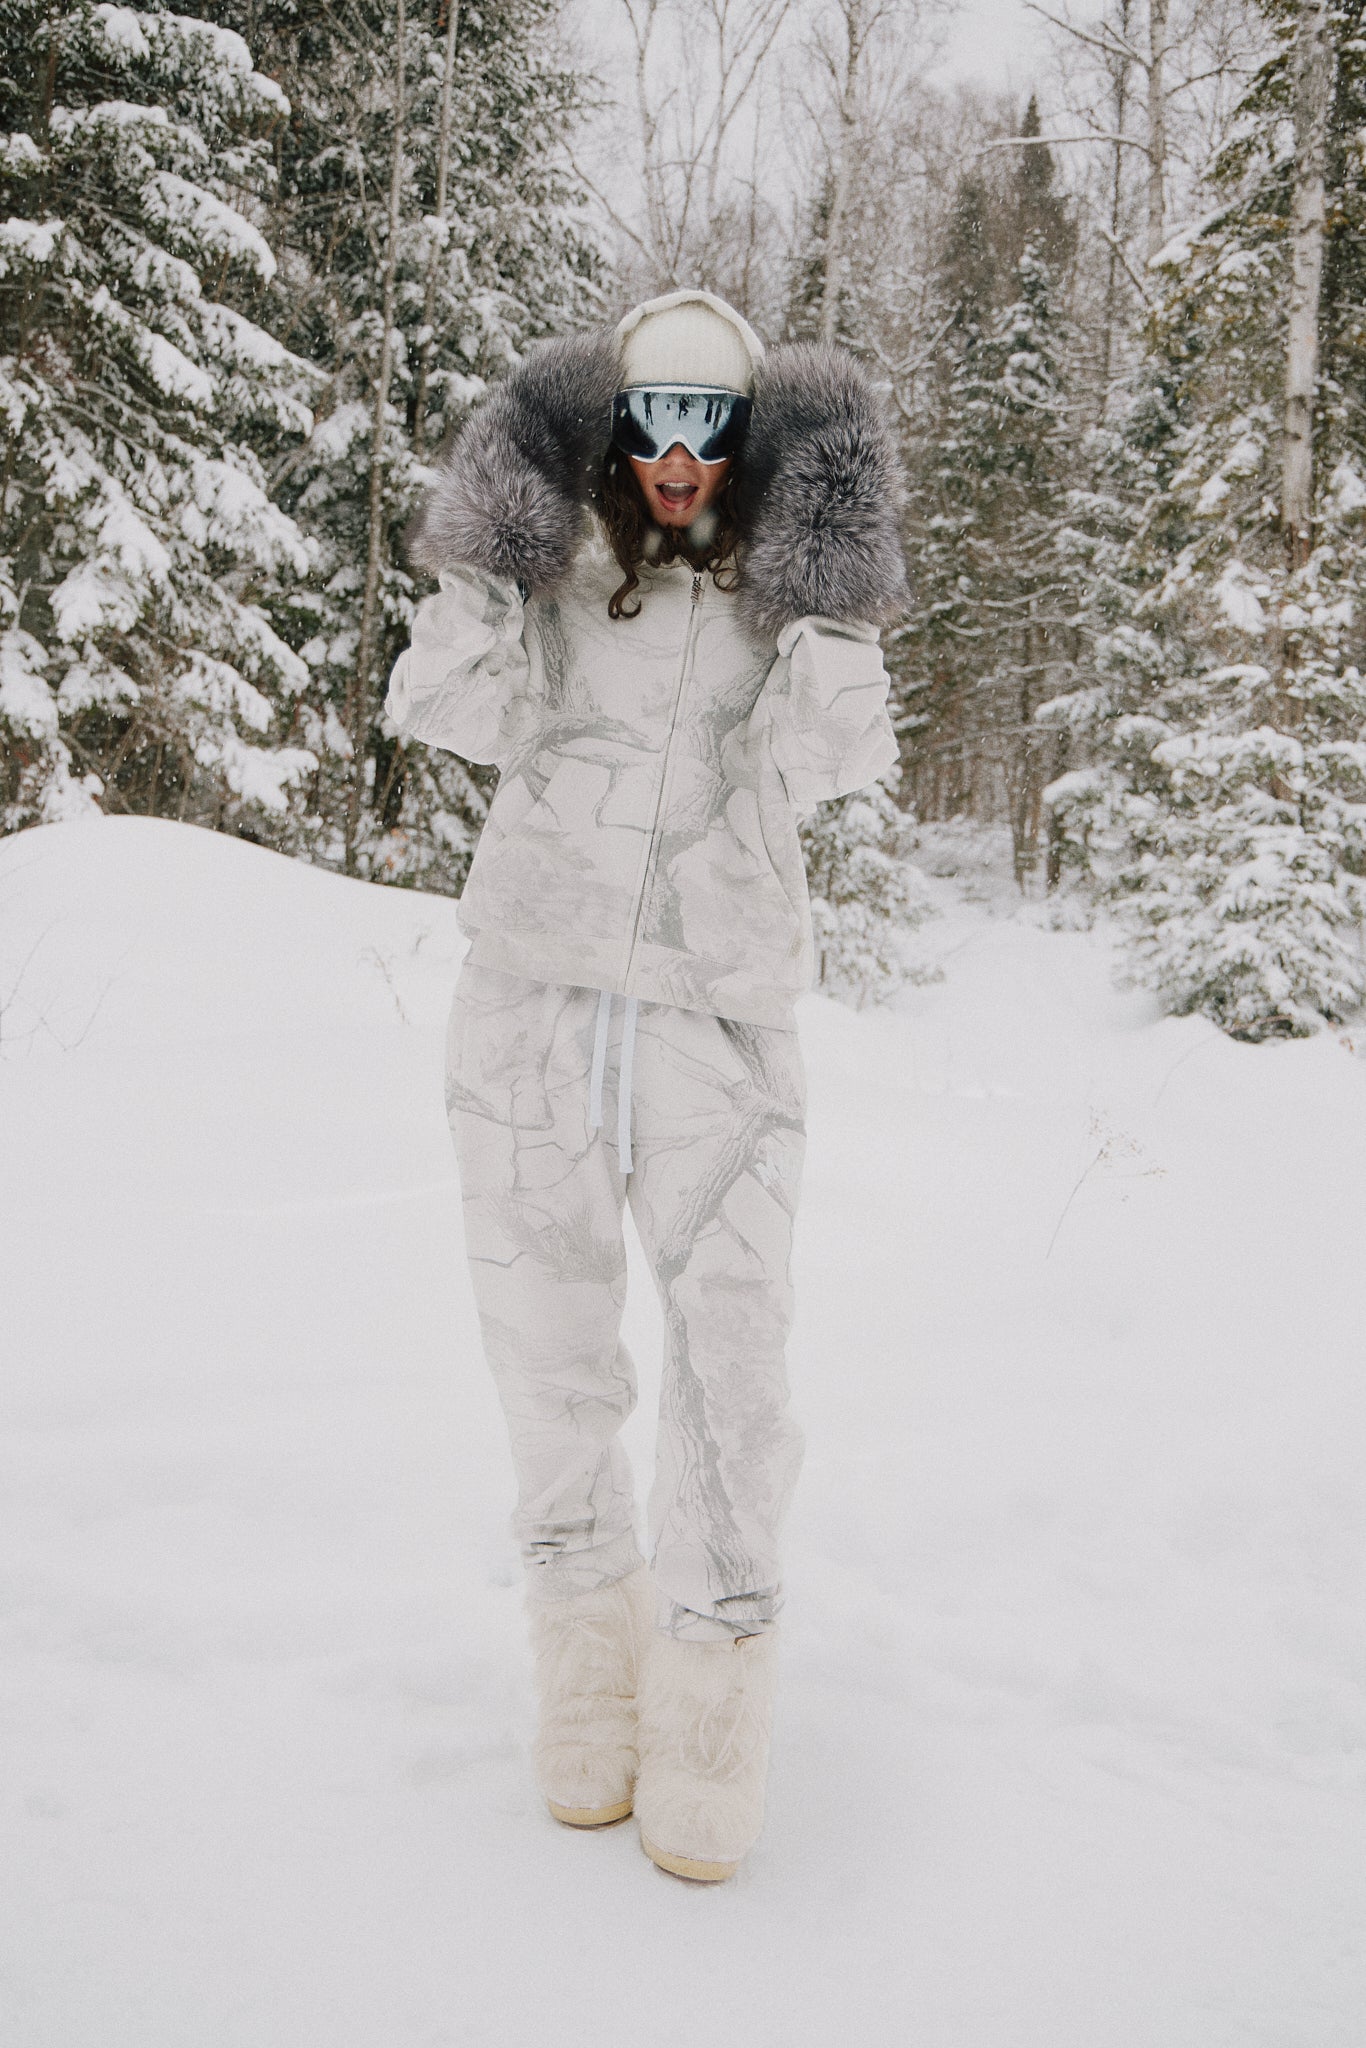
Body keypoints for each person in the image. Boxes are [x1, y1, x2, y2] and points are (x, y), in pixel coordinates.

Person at [386, 287, 907, 1882]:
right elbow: (443, 710)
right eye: (651, 423)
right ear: (615, 430)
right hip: (532, 1003)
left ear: (744, 443)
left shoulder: (774, 592)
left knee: (732, 1366)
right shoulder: (562, 571)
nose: (678, 458)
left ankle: (711, 1700)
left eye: (711, 429)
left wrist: (827, 589)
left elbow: (838, 762)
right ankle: (591, 1678)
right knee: (547, 1358)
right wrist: (491, 537)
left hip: (718, 1016)